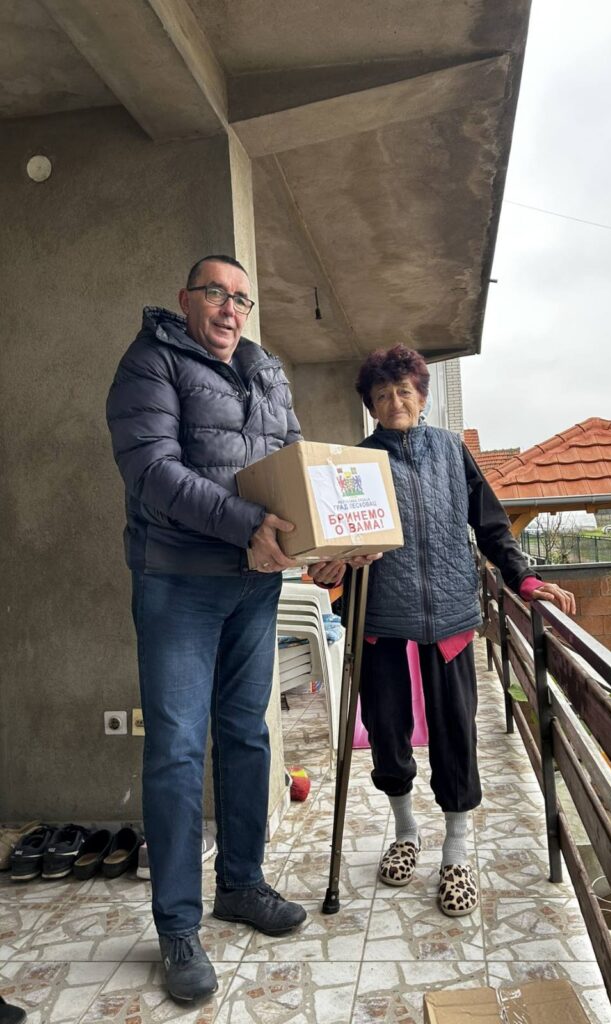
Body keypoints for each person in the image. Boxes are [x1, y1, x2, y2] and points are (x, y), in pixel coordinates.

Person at [106, 255, 308, 1004]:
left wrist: (322, 541)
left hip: (255, 581)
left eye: (242, 299)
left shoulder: (266, 370)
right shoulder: (150, 362)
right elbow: (153, 471)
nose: (230, 309)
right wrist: (249, 524)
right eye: (216, 294)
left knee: (248, 734)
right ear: (186, 299)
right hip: (178, 582)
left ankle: (242, 884)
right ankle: (178, 928)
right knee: (178, 750)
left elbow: (296, 464)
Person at [311, 345, 575, 917]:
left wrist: (525, 580)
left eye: (404, 391)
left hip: (451, 615)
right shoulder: (355, 465)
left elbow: (492, 526)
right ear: (371, 406)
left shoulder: (453, 451)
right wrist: (329, 568)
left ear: (422, 397)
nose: (395, 402)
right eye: (382, 395)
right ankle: (406, 831)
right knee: (388, 730)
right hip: (380, 619)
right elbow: (333, 547)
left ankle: (456, 848)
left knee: (455, 730)